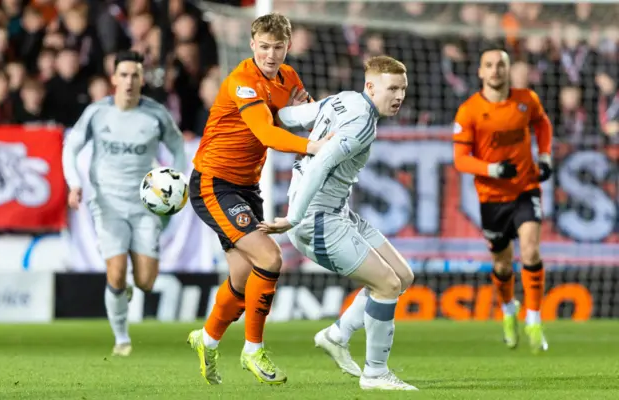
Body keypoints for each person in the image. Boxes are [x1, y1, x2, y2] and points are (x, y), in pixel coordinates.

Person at [186, 13, 331, 385]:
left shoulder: (289, 79)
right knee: (270, 256)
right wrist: (314, 146)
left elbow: (303, 116)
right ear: (252, 45)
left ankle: (206, 338)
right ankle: (253, 349)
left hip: (247, 187)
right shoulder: (242, 82)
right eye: (264, 47)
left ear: (288, 47)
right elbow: (267, 132)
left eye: (278, 47)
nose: (270, 54)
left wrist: (320, 121)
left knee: (242, 277)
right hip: (214, 183)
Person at [258, 55, 417, 391]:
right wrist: (293, 218)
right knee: (387, 285)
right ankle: (375, 374)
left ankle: (337, 335)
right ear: (370, 87)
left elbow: (294, 116)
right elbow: (319, 163)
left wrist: (274, 111)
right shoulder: (362, 123)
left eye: (403, 88)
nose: (399, 96)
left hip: (337, 212)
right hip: (316, 221)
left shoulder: (344, 98)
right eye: (392, 88)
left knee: (403, 276)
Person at [62, 50, 186, 357]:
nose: (129, 81)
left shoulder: (156, 114)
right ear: (113, 78)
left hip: (146, 205)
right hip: (107, 203)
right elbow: (71, 148)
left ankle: (128, 287)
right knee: (115, 272)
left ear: (142, 79)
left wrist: (176, 181)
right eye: (124, 75)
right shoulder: (97, 113)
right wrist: (75, 184)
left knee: (145, 282)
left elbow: (178, 147)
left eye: (135, 75)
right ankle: (121, 339)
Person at [452, 48, 553, 353]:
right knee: (502, 264)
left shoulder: (526, 100)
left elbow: (543, 124)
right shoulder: (469, 110)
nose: (495, 70)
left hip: (525, 188)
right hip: (492, 197)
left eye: (501, 65)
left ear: (508, 71)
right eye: (489, 66)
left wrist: (545, 155)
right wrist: (491, 169)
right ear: (480, 72)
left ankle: (534, 319)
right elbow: (460, 160)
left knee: (531, 251)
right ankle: (509, 311)